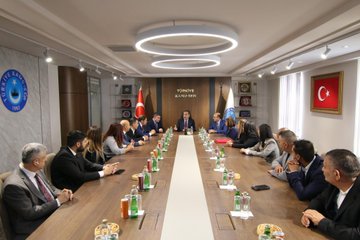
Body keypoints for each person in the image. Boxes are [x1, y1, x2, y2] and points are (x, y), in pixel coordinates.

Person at [3, 143, 73, 239]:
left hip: (51, 213)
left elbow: (51, 187)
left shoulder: (37, 170)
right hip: (34, 227)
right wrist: (58, 201)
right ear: (36, 162)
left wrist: (61, 193)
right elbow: (30, 213)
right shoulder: (13, 185)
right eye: (44, 157)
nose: (46, 159)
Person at [301, 149, 360, 240]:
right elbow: (319, 200)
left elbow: (356, 235)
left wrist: (322, 222)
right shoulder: (335, 184)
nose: (322, 169)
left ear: (337, 174)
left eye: (324, 166)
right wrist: (309, 213)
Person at [51, 130, 118, 192]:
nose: (87, 143)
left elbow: (89, 165)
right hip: (72, 191)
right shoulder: (64, 157)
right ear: (78, 144)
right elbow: (80, 177)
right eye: (85, 141)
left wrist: (104, 167)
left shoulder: (75, 152)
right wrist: (103, 173)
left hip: (80, 186)